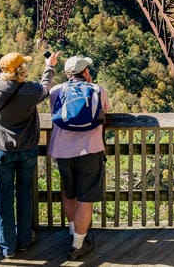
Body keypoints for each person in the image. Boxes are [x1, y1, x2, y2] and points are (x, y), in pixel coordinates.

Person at [0, 51, 60, 258]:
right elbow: (45, 88)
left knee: (5, 196)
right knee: (25, 193)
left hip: (1, 149)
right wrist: (49, 66)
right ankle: (24, 240)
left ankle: (7, 246)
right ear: (22, 70)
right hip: (27, 148)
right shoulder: (30, 91)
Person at [48, 54, 109, 261]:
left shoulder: (56, 91)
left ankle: (74, 232)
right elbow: (103, 115)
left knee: (69, 192)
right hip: (90, 150)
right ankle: (78, 245)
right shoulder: (98, 90)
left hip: (63, 151)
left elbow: (55, 115)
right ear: (85, 72)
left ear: (67, 74)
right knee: (85, 199)